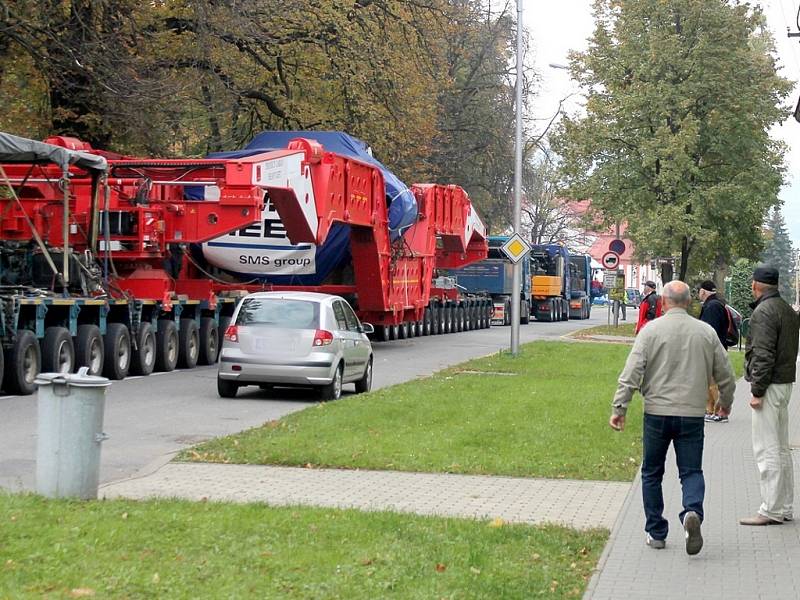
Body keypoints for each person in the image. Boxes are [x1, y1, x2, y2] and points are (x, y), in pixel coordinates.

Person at [610, 280, 736, 555]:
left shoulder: (650, 331)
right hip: (692, 414)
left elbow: (631, 372)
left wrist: (620, 408)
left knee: (652, 473)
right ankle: (692, 511)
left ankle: (656, 532)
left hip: (656, 413)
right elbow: (726, 374)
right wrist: (724, 404)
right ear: (689, 303)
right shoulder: (705, 332)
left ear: (663, 303)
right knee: (691, 471)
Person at [739, 265, 800, 526]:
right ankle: (784, 506)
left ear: (754, 285)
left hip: (770, 386)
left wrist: (757, 391)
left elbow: (763, 354)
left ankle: (770, 509)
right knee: (782, 448)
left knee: (767, 449)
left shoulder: (763, 313)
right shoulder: (786, 309)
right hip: (784, 383)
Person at [697, 280, 731, 423]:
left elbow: (710, 331)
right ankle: (710, 410)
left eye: (699, 291)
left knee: (713, 383)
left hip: (712, 350)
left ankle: (720, 412)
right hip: (716, 348)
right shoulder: (716, 304)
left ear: (703, 291)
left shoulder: (712, 307)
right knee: (708, 382)